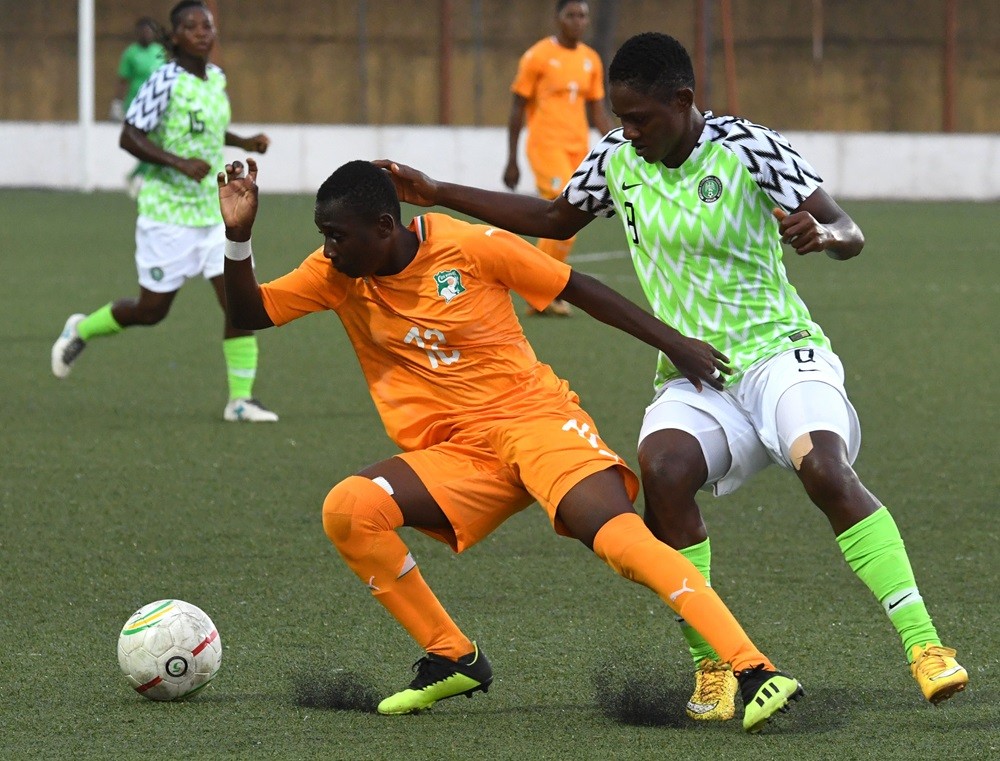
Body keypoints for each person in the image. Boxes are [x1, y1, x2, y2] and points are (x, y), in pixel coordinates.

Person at [374, 31, 968, 721]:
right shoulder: (615, 155)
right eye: (621, 119)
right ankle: (711, 665)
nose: (628, 132)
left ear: (683, 101)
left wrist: (820, 235)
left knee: (826, 470)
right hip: (695, 367)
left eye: (641, 118)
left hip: (780, 351)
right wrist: (438, 191)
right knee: (661, 469)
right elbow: (550, 216)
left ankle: (926, 645)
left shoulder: (750, 147)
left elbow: (847, 230)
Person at [217, 156, 803, 733]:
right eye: (325, 237)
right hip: (462, 455)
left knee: (619, 539)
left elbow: (580, 288)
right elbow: (249, 310)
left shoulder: (469, 247)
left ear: (384, 227)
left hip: (538, 423)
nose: (329, 249)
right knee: (350, 509)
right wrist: (238, 237)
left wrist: (675, 343)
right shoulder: (337, 274)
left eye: (338, 236)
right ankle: (452, 656)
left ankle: (753, 668)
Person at [52, 0, 277, 423]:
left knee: (239, 303)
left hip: (214, 214)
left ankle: (240, 401)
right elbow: (129, 135)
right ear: (174, 37)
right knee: (151, 310)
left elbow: (207, 128)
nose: (202, 32)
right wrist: (177, 162)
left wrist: (243, 143)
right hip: (167, 215)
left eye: (207, 25)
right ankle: (80, 329)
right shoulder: (164, 80)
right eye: (191, 27)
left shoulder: (217, 79)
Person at [503, 0, 615, 316]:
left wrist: (618, 144)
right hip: (545, 146)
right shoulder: (537, 56)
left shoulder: (591, 60)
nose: (578, 22)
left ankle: (542, 289)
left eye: (583, 16)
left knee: (572, 218)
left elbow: (597, 110)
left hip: (578, 148)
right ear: (558, 18)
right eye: (572, 15)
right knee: (560, 207)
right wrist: (511, 159)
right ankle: (540, 288)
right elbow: (516, 108)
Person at [110, 17, 169, 197]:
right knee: (148, 142)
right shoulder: (130, 53)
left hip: (157, 102)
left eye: (150, 31)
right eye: (143, 31)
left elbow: (166, 76)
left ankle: (135, 176)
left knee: (155, 143)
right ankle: (141, 178)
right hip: (136, 104)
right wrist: (117, 103)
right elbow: (123, 79)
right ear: (138, 34)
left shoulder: (159, 51)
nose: (147, 34)